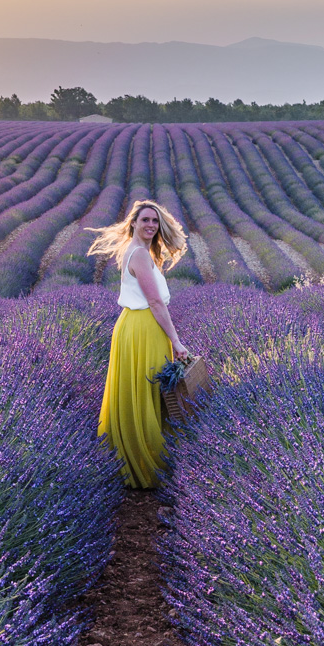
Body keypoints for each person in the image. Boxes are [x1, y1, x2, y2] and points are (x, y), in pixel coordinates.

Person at [87, 200, 189, 488]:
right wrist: (176, 341)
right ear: (132, 222)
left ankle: (133, 461)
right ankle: (147, 465)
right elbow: (155, 302)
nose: (151, 225)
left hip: (136, 326)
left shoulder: (138, 252)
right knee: (147, 393)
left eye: (155, 221)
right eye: (145, 220)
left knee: (140, 392)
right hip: (143, 327)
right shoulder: (141, 255)